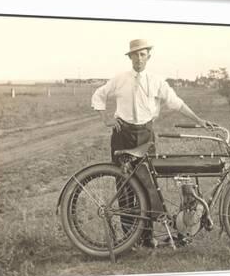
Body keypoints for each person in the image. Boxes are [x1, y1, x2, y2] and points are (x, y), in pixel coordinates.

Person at [91, 39, 214, 247]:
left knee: (148, 186)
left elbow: (176, 103)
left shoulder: (156, 81)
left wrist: (199, 121)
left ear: (148, 57)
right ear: (129, 57)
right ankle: (129, 239)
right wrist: (106, 120)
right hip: (123, 134)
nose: (139, 59)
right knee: (124, 186)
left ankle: (147, 238)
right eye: (135, 55)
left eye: (142, 54)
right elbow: (99, 95)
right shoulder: (120, 79)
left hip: (146, 135)